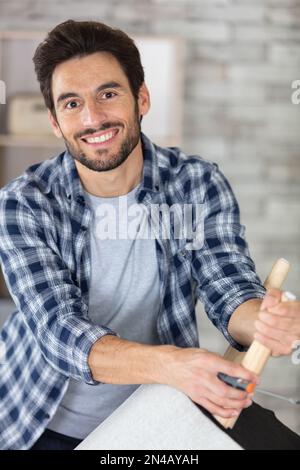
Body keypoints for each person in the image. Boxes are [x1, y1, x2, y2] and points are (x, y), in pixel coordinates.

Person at [0, 20, 299, 450]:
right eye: (71, 104)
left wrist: (268, 322)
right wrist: (175, 365)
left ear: (141, 98)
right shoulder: (24, 204)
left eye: (108, 93)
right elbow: (59, 333)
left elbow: (229, 289)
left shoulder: (196, 184)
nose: (92, 118)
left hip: (161, 410)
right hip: (44, 421)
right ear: (54, 121)